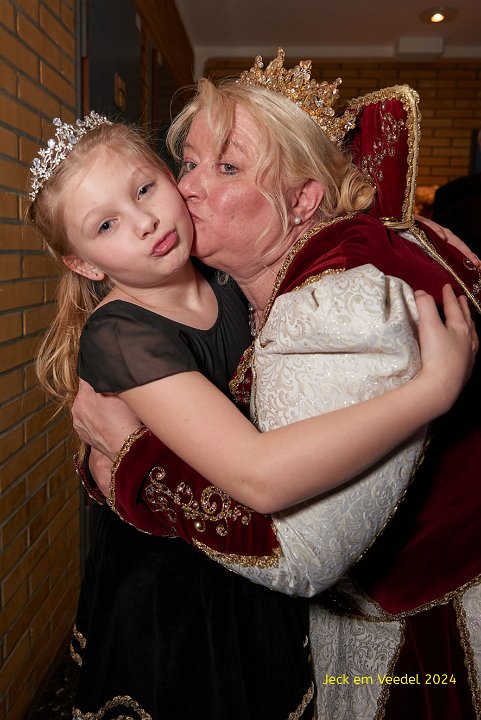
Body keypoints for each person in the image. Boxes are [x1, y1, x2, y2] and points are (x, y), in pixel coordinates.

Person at [71, 50, 481, 720]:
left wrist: (130, 460)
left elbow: (296, 550)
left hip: (417, 648)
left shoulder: (338, 307)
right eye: (189, 162)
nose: (187, 188)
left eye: (227, 167)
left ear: (302, 200)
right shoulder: (232, 280)